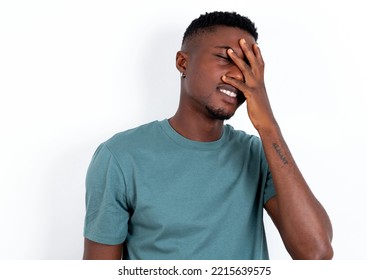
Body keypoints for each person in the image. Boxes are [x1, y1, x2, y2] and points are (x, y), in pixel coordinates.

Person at [83, 11, 333, 260]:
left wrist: (268, 126)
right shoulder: (121, 157)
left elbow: (316, 253)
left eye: (248, 66)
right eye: (226, 58)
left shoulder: (257, 154)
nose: (238, 75)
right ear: (183, 63)